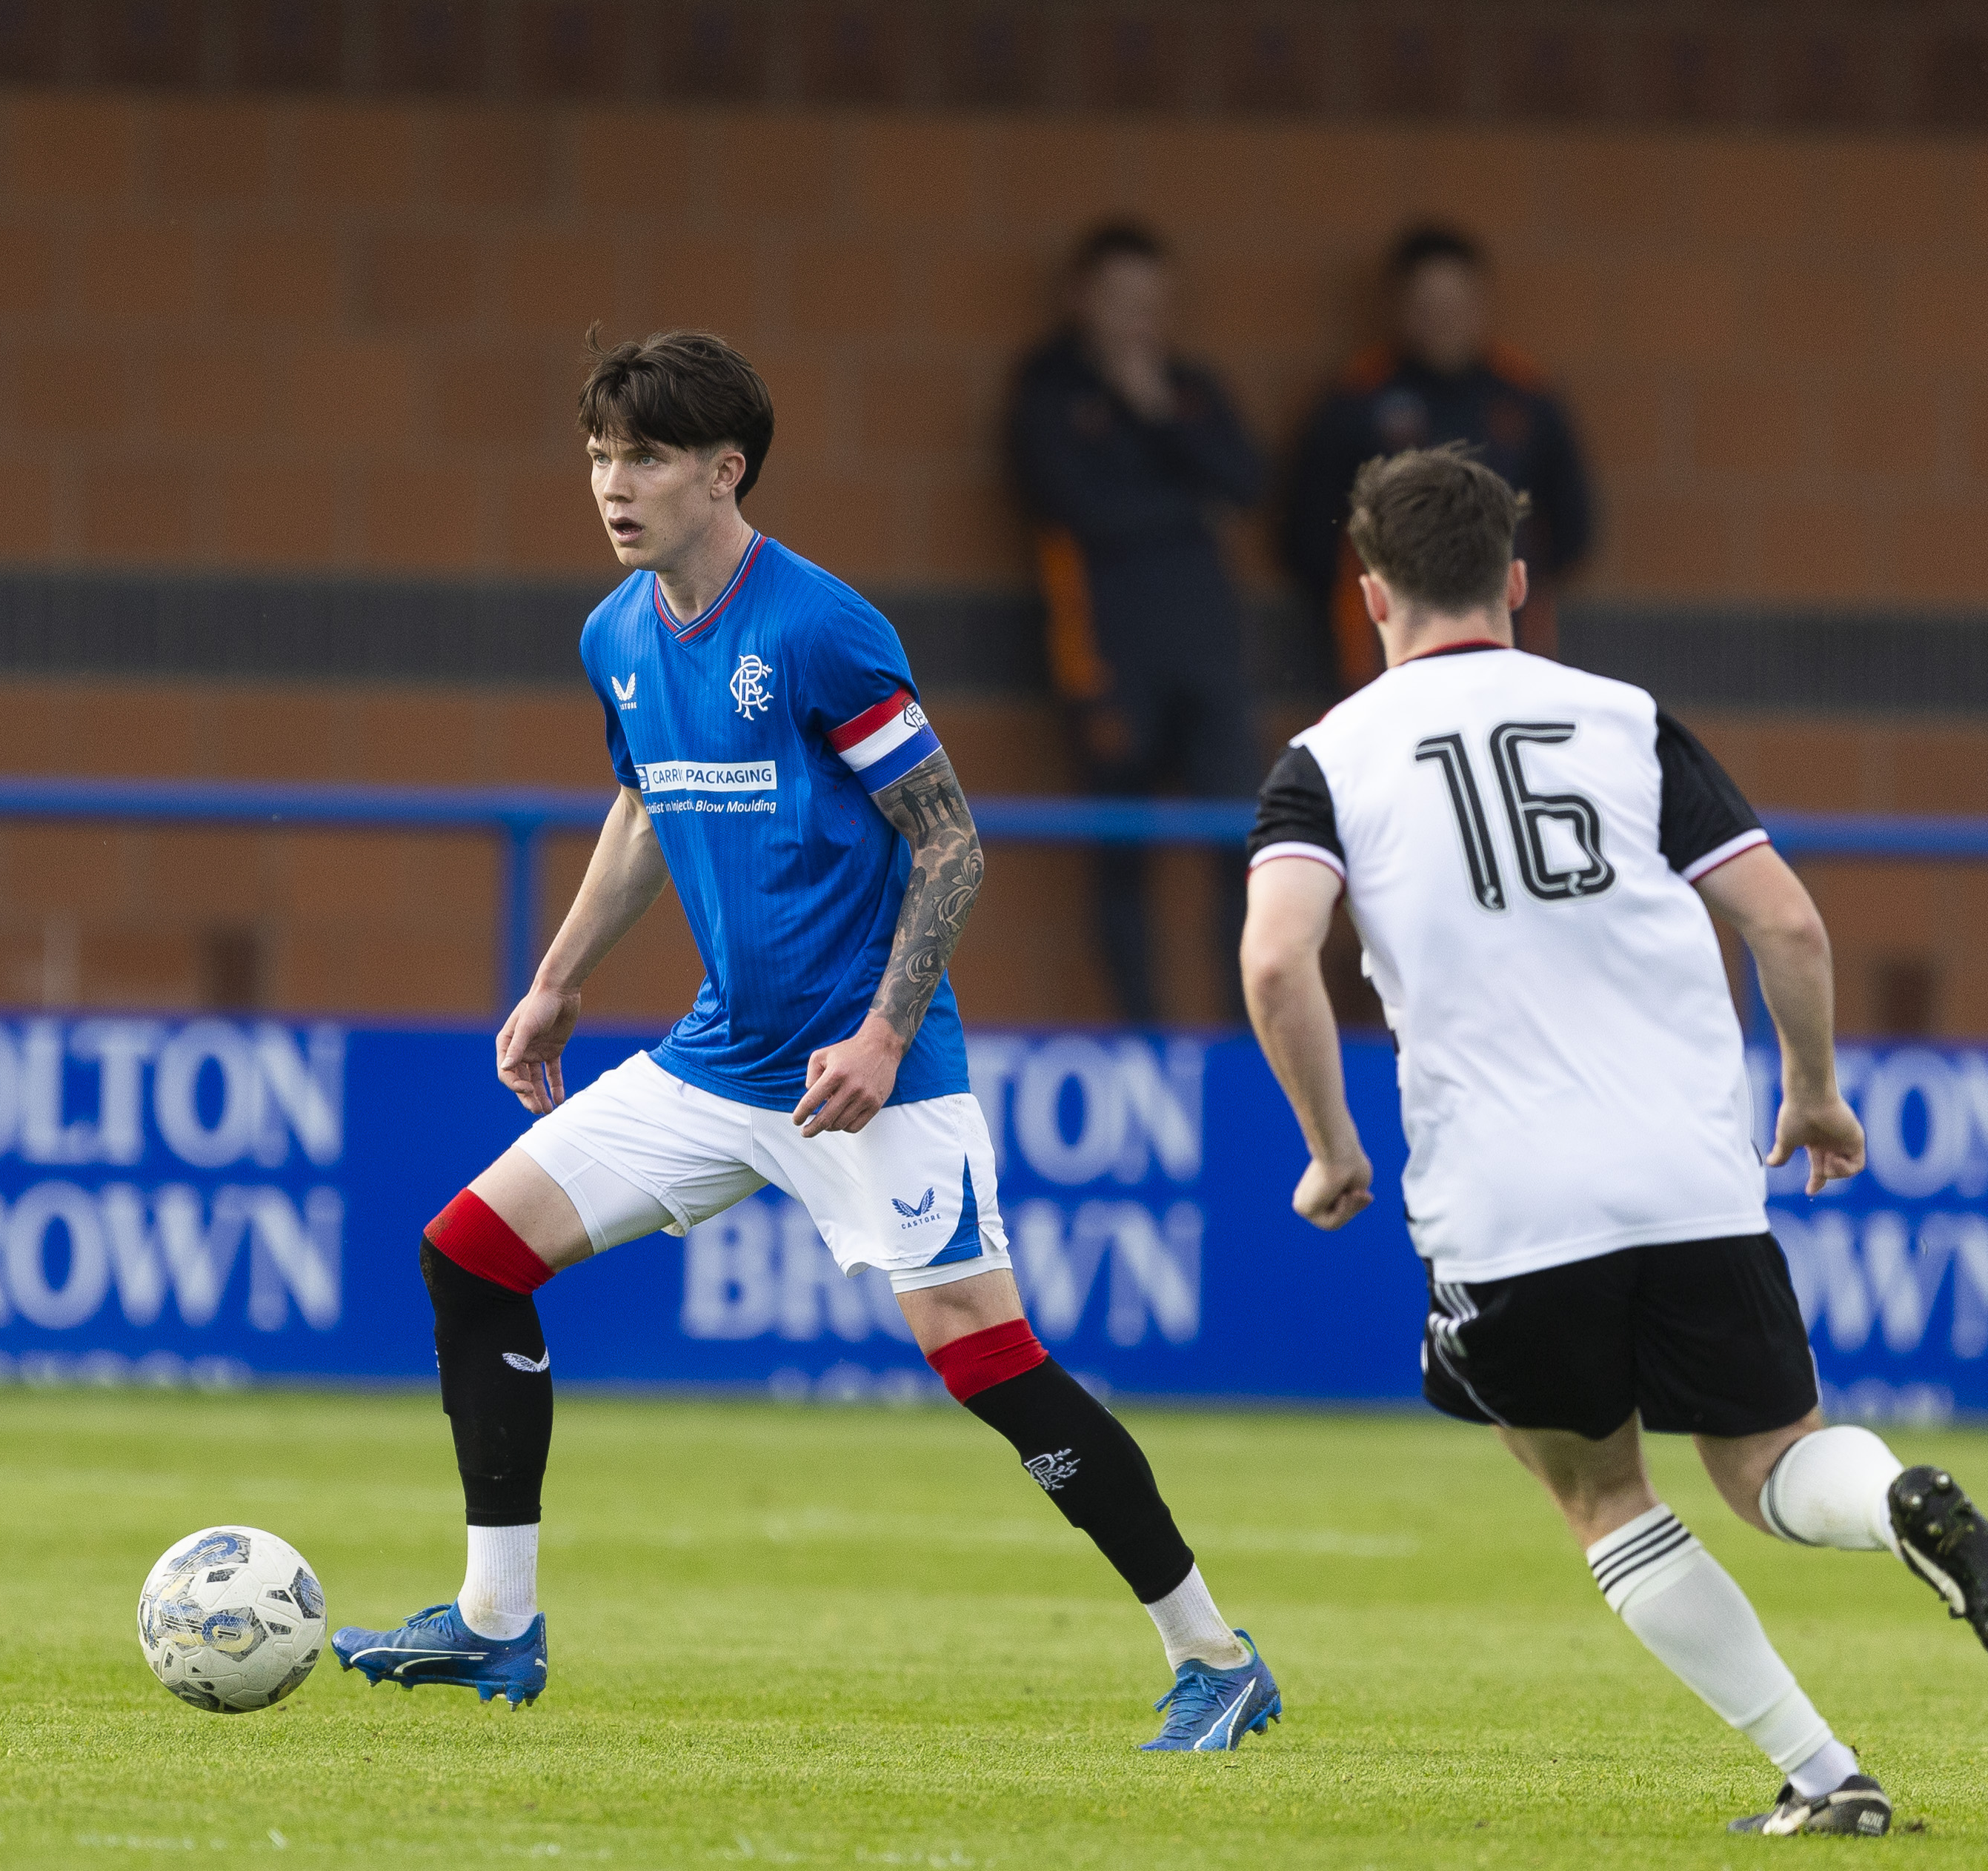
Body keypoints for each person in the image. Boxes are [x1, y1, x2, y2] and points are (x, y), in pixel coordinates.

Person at [330, 330, 1281, 1752]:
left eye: (643, 455)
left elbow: (951, 842)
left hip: (868, 1070)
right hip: (718, 1062)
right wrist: (558, 979)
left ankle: (1213, 1655)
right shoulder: (616, 633)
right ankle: (492, 1623)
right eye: (598, 453)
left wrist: (887, 1035)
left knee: (980, 1355)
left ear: (724, 470)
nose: (611, 482)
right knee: (470, 1256)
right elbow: (645, 808)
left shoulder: (821, 627)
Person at [1239, 445, 1988, 1836]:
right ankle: (1896, 1499)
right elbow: (1786, 923)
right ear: (1513, 580)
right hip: (1690, 1178)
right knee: (1764, 1462)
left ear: (1368, 591)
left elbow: (1275, 967)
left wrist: (1327, 1145)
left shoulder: (1323, 761)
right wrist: (1809, 1091)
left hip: (1509, 1203)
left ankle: (1824, 1777)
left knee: (1594, 1486)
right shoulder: (1623, 719)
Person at [1009, 221, 1266, 1023]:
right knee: (1122, 851)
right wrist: (1180, 507)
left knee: (1240, 843)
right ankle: (1142, 1034)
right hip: (1109, 660)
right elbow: (1076, 505)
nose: (1136, 319)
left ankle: (1243, 1030)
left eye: (1150, 304)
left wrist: (1154, 413)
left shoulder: (1186, 389)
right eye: (1120, 300)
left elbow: (1247, 482)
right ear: (1079, 298)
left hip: (1209, 655)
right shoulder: (1048, 390)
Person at [1284, 226, 1594, 688]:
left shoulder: (1525, 397)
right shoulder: (1357, 398)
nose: (1443, 319)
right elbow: (1308, 531)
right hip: (1383, 644)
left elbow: (1572, 525)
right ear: (1400, 307)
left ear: (1481, 304)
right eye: (1426, 304)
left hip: (1508, 638)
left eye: (1456, 304)